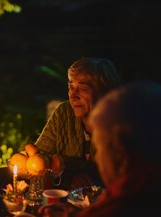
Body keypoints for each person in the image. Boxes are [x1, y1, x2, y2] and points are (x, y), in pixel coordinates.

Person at [0, 80, 161, 217]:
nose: (99, 157)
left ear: (119, 151)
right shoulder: (156, 188)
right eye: (71, 87)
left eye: (100, 146)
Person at [35, 57, 123, 190]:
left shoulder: (119, 123)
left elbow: (120, 176)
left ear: (104, 92)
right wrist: (70, 174)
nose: (73, 96)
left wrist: (65, 164)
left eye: (82, 89)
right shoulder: (64, 113)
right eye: (71, 87)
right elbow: (39, 159)